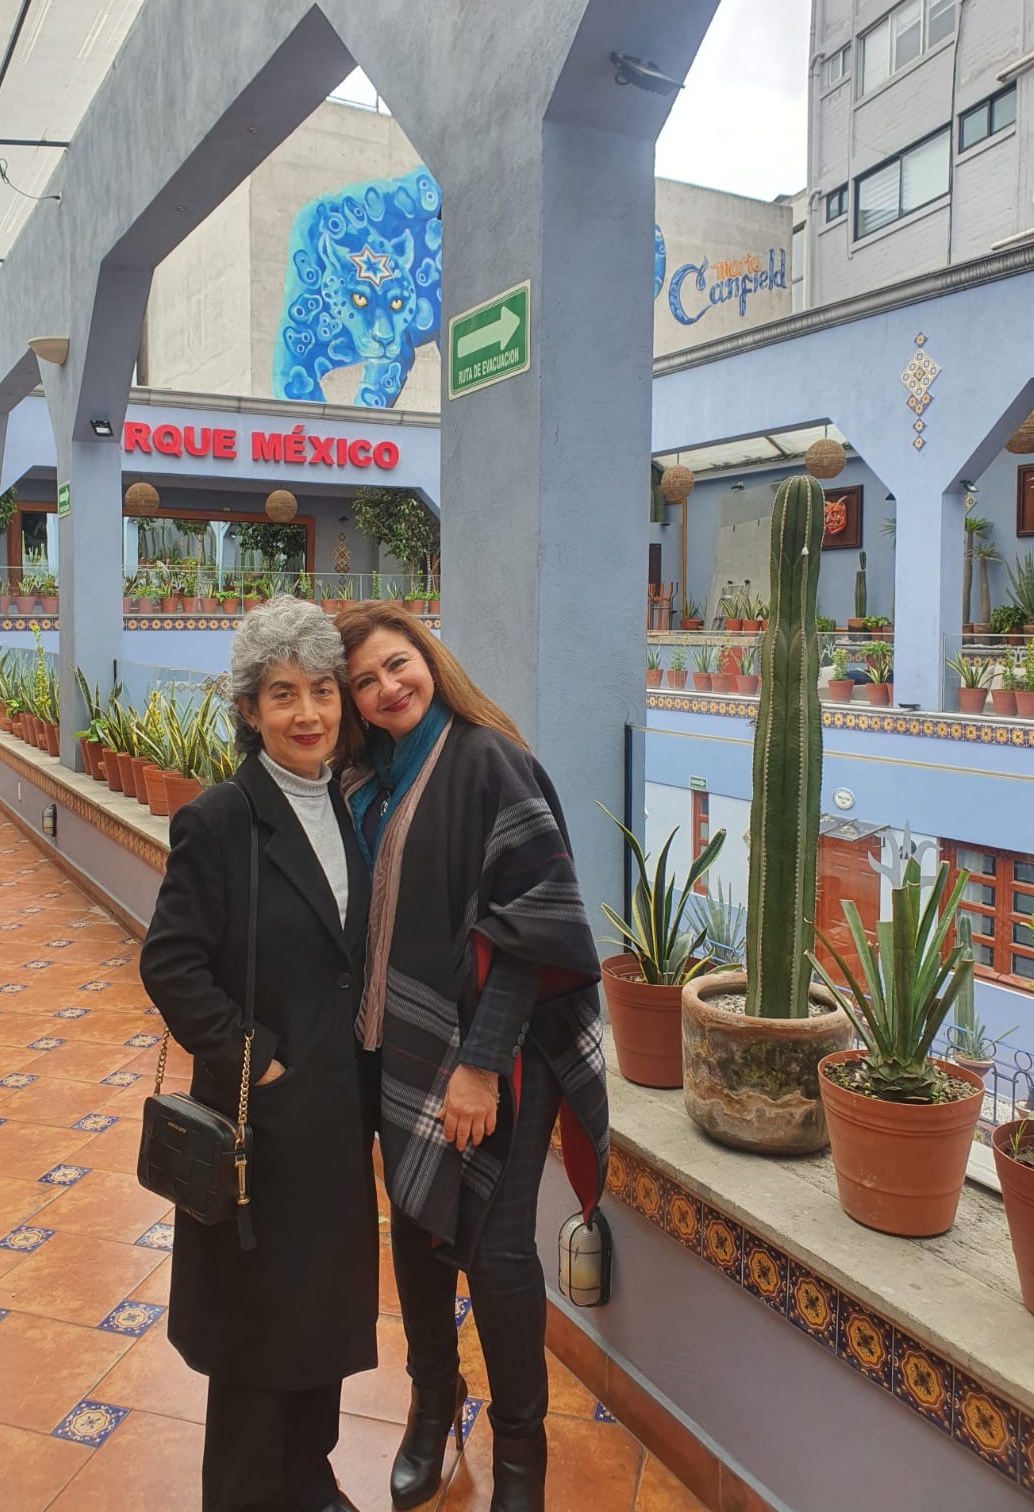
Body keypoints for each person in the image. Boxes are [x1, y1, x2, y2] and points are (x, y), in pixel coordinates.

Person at [335, 603, 610, 1512]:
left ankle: (522, 1454)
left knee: (494, 1253)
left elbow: (537, 925)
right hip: (398, 1048)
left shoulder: (488, 760)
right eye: (364, 681)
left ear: (430, 658)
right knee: (415, 1228)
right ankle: (431, 1406)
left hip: (499, 1053)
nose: (387, 688)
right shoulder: (362, 780)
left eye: (397, 664)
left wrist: (480, 1063)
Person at [140, 598, 377, 1512]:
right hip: (263, 1117)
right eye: (283, 694)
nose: (308, 713)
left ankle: (309, 1479)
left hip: (338, 1115)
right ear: (248, 708)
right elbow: (170, 963)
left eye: (323, 690)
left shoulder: (352, 804)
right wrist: (257, 1061)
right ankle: (244, 1494)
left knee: (322, 1311)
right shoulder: (221, 819)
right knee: (255, 1329)